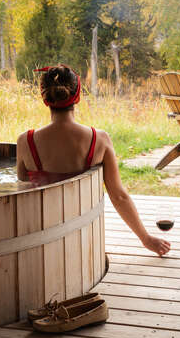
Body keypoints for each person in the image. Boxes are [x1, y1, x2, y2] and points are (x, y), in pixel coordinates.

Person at [16, 65, 171, 257]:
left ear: (45, 99)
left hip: (40, 243)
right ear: (78, 96)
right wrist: (146, 239)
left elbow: (20, 197)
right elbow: (119, 196)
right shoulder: (99, 140)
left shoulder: (25, 142)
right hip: (84, 242)